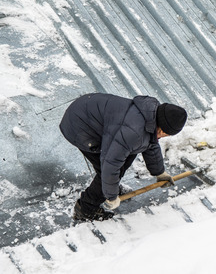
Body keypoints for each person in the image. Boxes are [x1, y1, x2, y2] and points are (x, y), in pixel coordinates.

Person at [59, 93, 187, 221]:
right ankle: (86, 209)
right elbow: (110, 164)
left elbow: (150, 143)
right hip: (80, 125)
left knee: (125, 158)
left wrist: (159, 172)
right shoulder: (134, 132)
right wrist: (111, 196)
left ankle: (108, 187)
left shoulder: (149, 115)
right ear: (163, 131)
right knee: (107, 170)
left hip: (88, 111)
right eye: (168, 135)